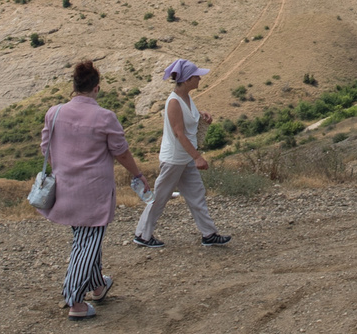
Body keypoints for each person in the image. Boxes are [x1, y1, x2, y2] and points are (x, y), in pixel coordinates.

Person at [39, 60, 149, 320]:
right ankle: (75, 300)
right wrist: (138, 175)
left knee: (85, 239)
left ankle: (98, 286)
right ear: (96, 88)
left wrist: (64, 169)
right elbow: (120, 152)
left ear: (74, 86)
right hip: (94, 191)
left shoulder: (54, 113)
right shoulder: (104, 116)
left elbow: (46, 148)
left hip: (65, 188)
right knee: (87, 243)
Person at [133, 58, 231, 249]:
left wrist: (201, 116)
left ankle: (209, 234)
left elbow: (186, 121)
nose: (199, 79)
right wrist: (197, 157)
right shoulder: (174, 102)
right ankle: (142, 235)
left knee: (196, 194)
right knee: (160, 197)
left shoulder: (185, 98)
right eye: (196, 77)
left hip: (184, 158)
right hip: (174, 160)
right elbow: (179, 133)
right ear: (187, 80)